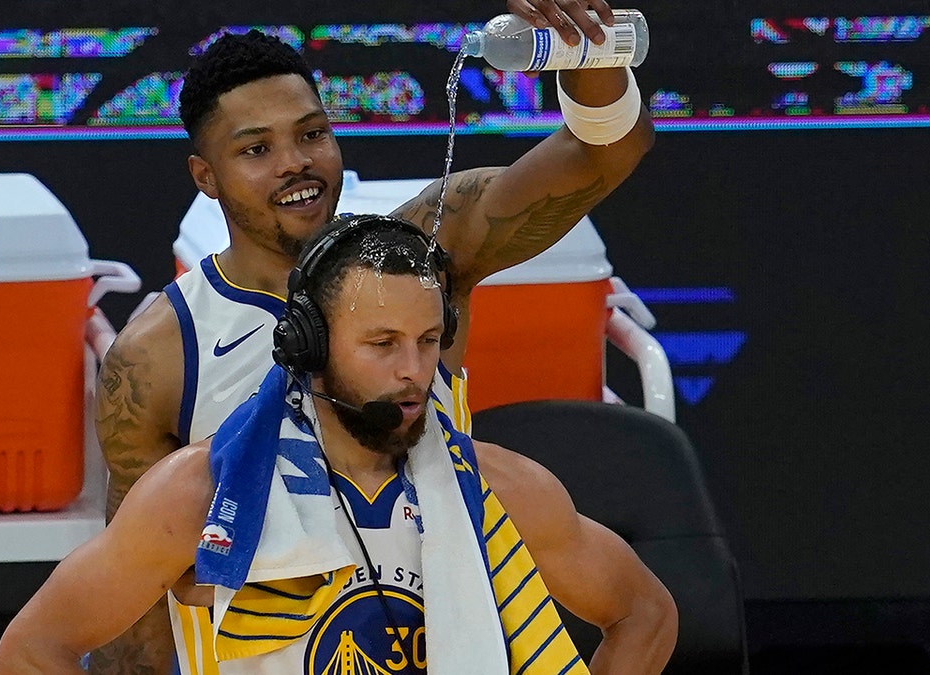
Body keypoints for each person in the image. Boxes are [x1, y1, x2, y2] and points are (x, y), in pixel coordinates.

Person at [94, 1, 655, 670]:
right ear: (205, 176)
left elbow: (607, 151)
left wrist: (587, 52)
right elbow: (134, 611)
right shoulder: (157, 356)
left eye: (311, 134)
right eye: (256, 148)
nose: (294, 163)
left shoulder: (424, 249)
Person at [0, 215, 677, 675]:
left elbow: (645, 612)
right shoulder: (204, 496)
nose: (414, 369)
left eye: (428, 341)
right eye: (382, 344)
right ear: (310, 347)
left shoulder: (502, 489)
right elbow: (32, 648)